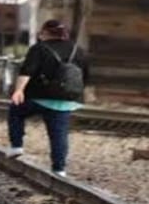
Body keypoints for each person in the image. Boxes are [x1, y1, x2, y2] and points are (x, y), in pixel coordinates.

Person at [7, 19, 88, 177]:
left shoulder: (39, 48)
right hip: (66, 100)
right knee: (59, 135)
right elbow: (85, 75)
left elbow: (27, 71)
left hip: (39, 97)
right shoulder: (78, 50)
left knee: (16, 111)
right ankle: (59, 169)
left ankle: (16, 146)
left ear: (45, 32)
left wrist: (19, 90)